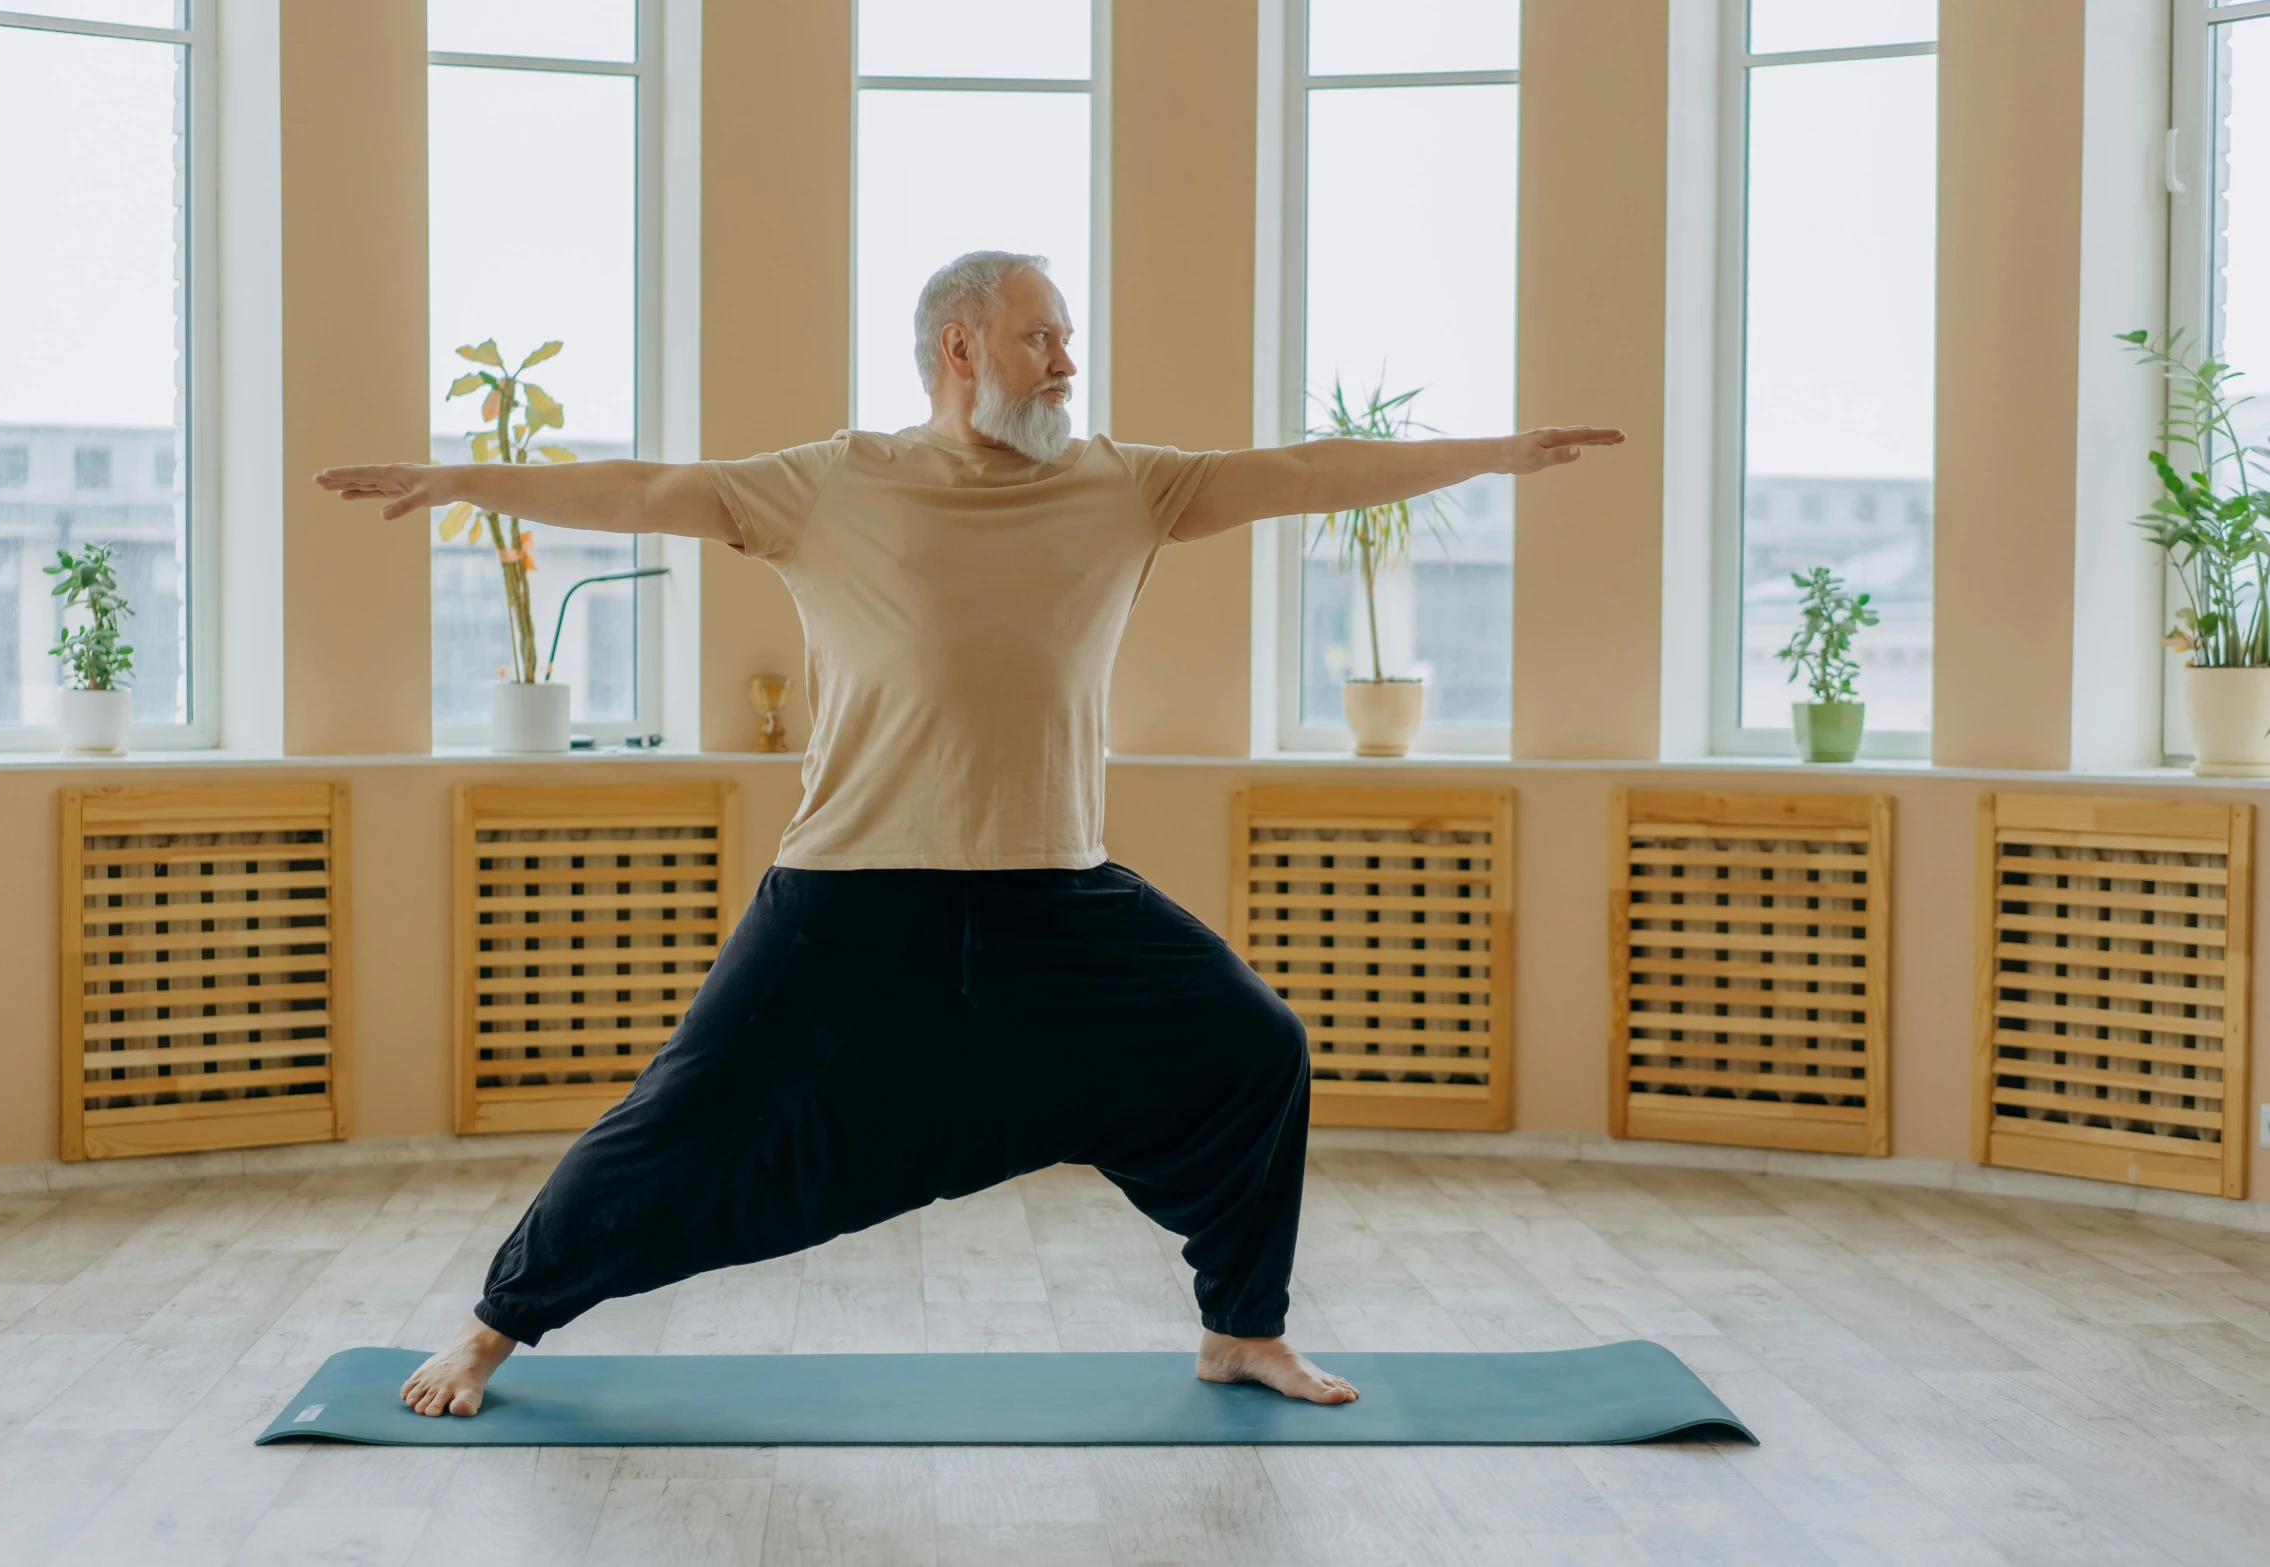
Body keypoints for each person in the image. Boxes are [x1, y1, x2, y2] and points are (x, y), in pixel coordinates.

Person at [319, 251, 1622, 1417]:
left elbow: (1298, 474)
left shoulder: (1125, 483)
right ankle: (491, 1328)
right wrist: (457, 478)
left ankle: (1241, 1330)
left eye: (1064, 338)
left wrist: (1497, 455)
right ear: (961, 347)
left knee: (1251, 1047)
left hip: (1053, 889)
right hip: (849, 886)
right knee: (686, 1119)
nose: (1067, 360)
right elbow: (653, 487)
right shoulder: (838, 480)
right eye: (1041, 336)